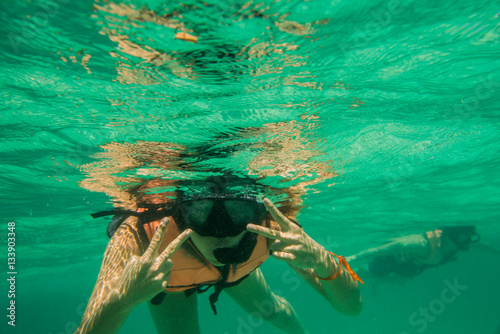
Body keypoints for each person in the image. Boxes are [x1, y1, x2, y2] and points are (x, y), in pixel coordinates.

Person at [75, 177, 363, 334]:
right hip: (166, 279)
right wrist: (123, 300)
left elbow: (352, 308)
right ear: (179, 212)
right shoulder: (140, 234)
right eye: (201, 212)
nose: (221, 231)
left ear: (256, 211)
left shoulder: (272, 229)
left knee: (273, 310)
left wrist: (323, 261)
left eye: (238, 211)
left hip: (237, 271)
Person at [346, 226, 484, 278]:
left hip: (411, 269)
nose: (464, 244)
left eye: (467, 240)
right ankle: (354, 271)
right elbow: (379, 250)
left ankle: (381, 281)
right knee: (372, 271)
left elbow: (483, 246)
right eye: (462, 239)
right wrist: (351, 258)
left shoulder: (457, 246)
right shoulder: (421, 244)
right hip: (391, 261)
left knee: (402, 279)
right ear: (449, 236)